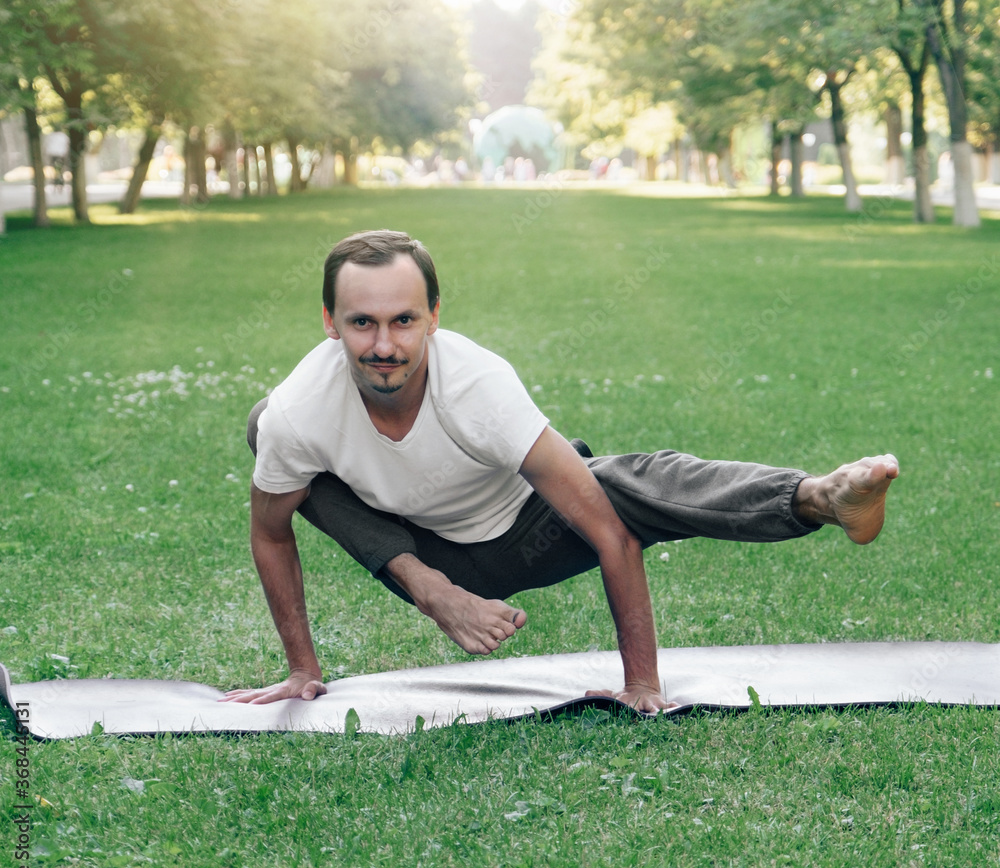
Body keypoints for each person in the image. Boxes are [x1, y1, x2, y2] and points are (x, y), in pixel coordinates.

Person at [222, 230, 899, 713]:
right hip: (423, 557)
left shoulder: (478, 385)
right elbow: (272, 533)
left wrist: (642, 682)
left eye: (404, 320)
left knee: (637, 480)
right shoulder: (300, 409)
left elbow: (609, 532)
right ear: (328, 323)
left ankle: (816, 496)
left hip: (532, 528)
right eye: (361, 323)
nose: (384, 345)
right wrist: (302, 668)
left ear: (434, 317)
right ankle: (431, 587)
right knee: (267, 427)